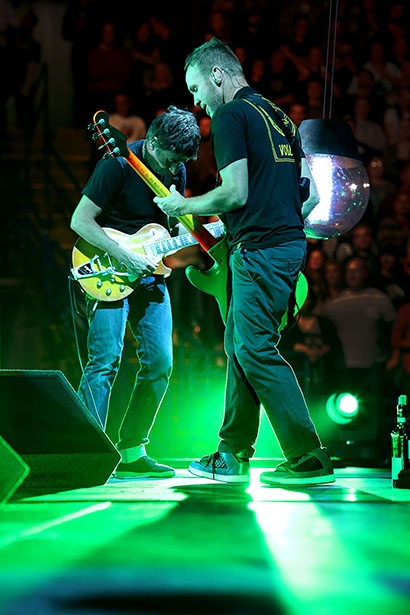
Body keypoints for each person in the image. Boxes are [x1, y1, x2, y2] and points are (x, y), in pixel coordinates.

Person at [154, 37, 334, 487]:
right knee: (240, 344)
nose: (196, 102)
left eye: (196, 89)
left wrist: (183, 206)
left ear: (218, 75)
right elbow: (309, 195)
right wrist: (279, 223)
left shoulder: (230, 114)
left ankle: (308, 456)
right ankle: (232, 453)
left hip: (260, 250)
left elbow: (234, 193)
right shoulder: (278, 115)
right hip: (283, 245)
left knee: (253, 349)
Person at [70, 106, 200, 479]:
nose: (176, 169)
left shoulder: (176, 168)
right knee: (104, 361)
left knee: (161, 362)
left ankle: (131, 449)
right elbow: (79, 220)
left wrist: (173, 247)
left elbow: (169, 226)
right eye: (172, 160)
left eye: (182, 163)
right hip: (108, 269)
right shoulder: (117, 164)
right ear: (154, 142)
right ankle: (86, 453)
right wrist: (124, 254)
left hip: (149, 274)